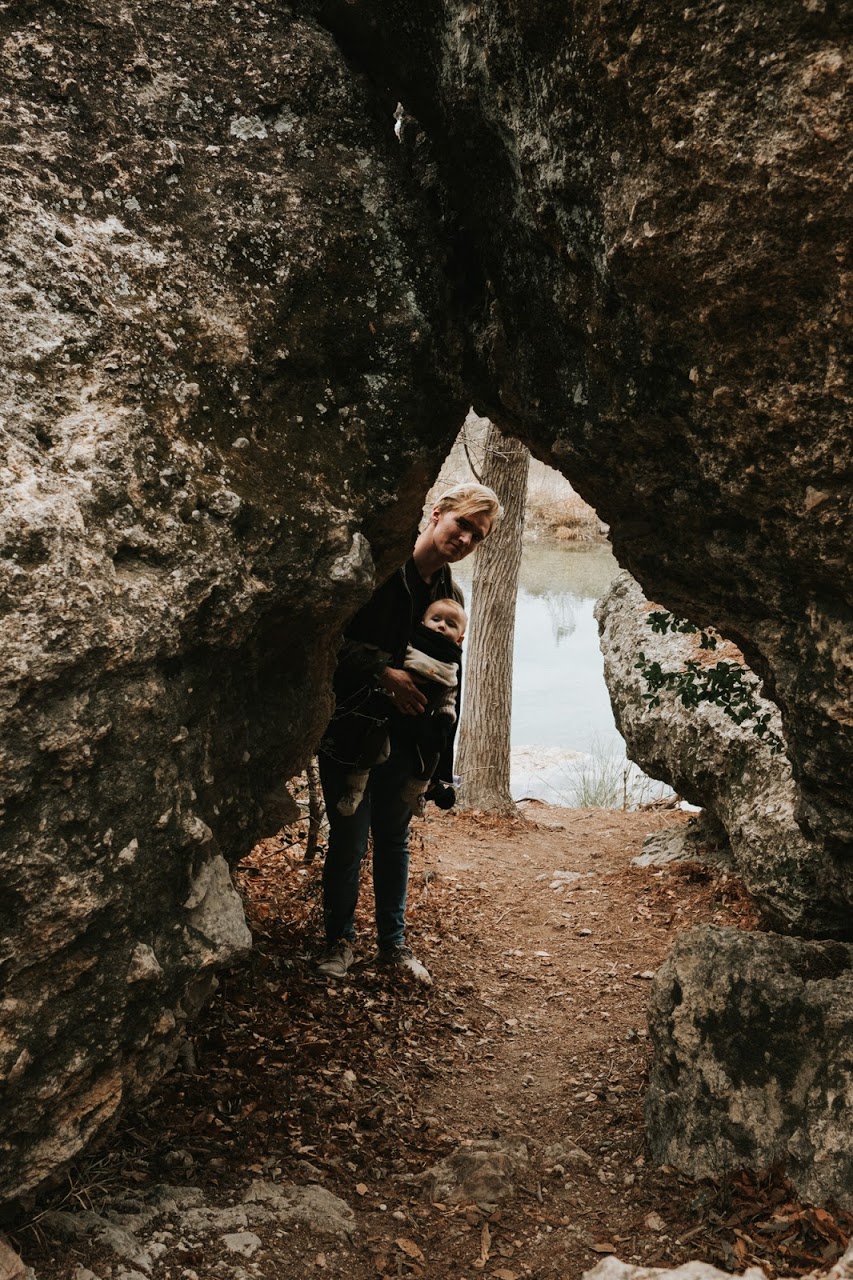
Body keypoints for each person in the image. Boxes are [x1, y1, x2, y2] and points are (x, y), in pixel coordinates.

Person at [316, 482, 501, 984]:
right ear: (437, 513)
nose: (466, 539)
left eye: (478, 535)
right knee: (349, 840)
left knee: (394, 840)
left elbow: (451, 678)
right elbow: (326, 640)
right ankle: (338, 943)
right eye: (462, 524)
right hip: (352, 730)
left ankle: (392, 947)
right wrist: (383, 672)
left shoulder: (450, 597)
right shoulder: (379, 571)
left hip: (409, 738)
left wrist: (440, 761)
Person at [330, 596, 467, 819]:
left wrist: (444, 720)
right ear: (423, 622)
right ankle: (355, 789)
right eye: (436, 620)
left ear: (460, 638)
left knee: (431, 752)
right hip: (384, 712)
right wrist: (386, 680)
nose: (442, 625)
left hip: (419, 723)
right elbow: (391, 663)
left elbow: (449, 694)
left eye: (450, 624)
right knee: (371, 746)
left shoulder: (451, 662)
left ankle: (417, 790)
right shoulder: (410, 643)